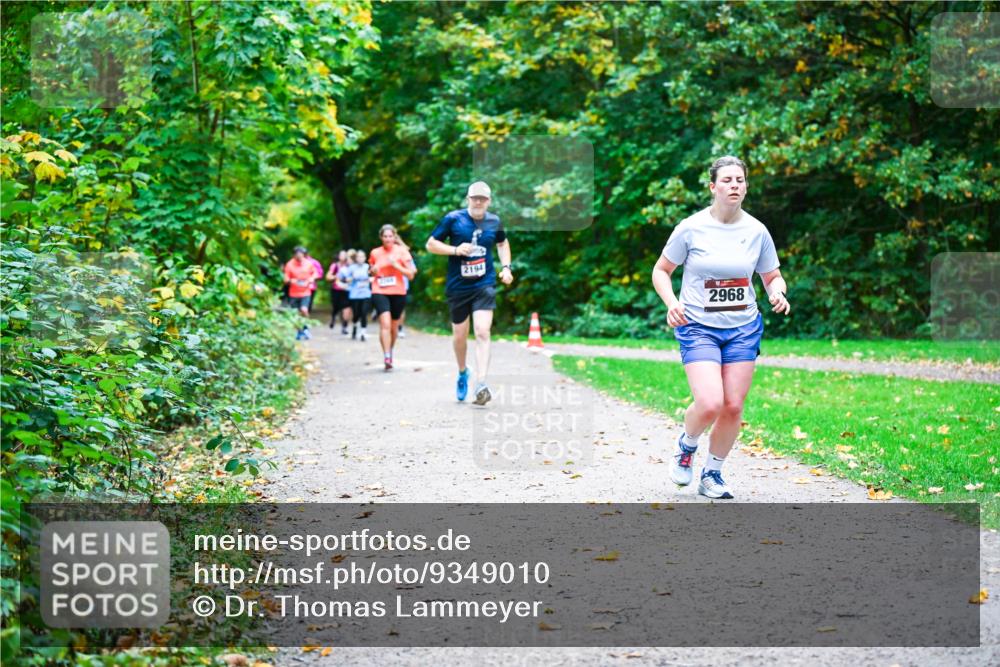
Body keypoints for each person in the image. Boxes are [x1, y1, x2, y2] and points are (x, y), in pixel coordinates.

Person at [652, 156, 790, 499]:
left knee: (733, 406)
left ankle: (712, 474)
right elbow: (661, 271)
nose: (734, 186)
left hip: (743, 327)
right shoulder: (691, 228)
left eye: (740, 180)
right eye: (727, 180)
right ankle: (687, 445)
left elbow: (771, 275)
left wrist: (777, 292)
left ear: (746, 186)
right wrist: (672, 303)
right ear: (713, 186)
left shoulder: (756, 231)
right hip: (698, 326)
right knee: (711, 402)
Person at [426, 181, 513, 405]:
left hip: (484, 284)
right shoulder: (453, 219)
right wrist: (455, 250)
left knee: (483, 332)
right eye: (475, 198)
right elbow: (431, 244)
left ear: (489, 201)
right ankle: (463, 372)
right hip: (458, 287)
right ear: (468, 199)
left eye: (482, 199)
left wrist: (506, 268)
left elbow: (502, 244)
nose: (478, 202)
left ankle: (481, 383)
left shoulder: (494, 221)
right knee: (460, 336)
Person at [369, 225, 417, 371]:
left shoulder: (402, 251)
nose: (388, 239)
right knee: (385, 323)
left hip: (398, 291)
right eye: (385, 236)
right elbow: (371, 271)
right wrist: (373, 271)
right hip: (379, 290)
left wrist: (396, 265)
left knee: (394, 326)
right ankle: (387, 356)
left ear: (394, 237)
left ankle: (390, 350)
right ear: (381, 237)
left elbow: (411, 275)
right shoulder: (375, 252)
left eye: (390, 236)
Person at [283, 246, 321, 340]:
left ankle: (306, 328)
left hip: (305, 292)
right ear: (294, 255)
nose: (300, 256)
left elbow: (315, 273)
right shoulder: (289, 265)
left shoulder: (308, 263)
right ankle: (299, 331)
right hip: (293, 293)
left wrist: (311, 279)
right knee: (296, 313)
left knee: (304, 310)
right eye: (298, 254)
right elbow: (285, 279)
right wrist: (292, 281)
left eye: (302, 254)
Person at [339, 249, 372, 341]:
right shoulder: (352, 268)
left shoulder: (368, 267)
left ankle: (363, 333)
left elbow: (374, 277)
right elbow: (345, 280)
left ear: (365, 258)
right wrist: (352, 277)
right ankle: (354, 327)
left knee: (364, 313)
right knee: (356, 314)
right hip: (355, 295)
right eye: (359, 257)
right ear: (356, 258)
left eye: (362, 257)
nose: (360, 258)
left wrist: (370, 280)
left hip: (366, 294)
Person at [326, 249, 351, 333]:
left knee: (346, 308)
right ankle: (333, 318)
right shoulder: (335, 265)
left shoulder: (350, 265)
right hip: (336, 290)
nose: (343, 256)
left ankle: (344, 326)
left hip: (347, 290)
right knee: (336, 307)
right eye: (341, 255)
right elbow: (328, 277)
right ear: (338, 256)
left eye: (344, 255)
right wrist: (336, 277)